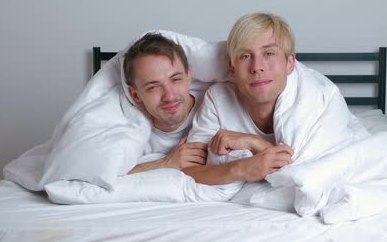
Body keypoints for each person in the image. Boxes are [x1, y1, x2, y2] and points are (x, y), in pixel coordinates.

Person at [183, 12, 296, 185]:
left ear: (290, 63)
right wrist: (242, 168)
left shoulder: (312, 100)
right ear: (232, 68)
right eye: (245, 56)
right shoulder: (218, 98)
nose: (257, 67)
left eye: (269, 53)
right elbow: (189, 171)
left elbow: (304, 172)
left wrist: (254, 143)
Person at [122, 32, 208, 174]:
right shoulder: (129, 128)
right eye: (153, 87)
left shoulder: (216, 105)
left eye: (175, 80)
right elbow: (106, 176)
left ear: (188, 77)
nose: (169, 96)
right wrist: (166, 162)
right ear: (135, 94)